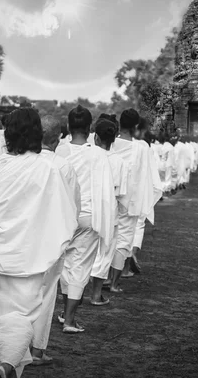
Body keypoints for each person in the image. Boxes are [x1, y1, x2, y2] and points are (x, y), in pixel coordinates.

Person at [0, 108, 78, 377]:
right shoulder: (48, 167)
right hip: (32, 255)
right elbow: (63, 215)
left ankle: (7, 363)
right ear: (37, 134)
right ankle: (8, 364)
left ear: (8, 134)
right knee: (23, 314)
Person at [55, 105, 117, 334]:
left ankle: (64, 313)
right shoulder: (99, 154)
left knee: (64, 265)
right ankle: (70, 319)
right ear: (90, 128)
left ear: (69, 126)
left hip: (64, 215)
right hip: (89, 216)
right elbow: (107, 192)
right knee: (80, 268)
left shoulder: (59, 151)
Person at [29, 115, 80, 365]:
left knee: (17, 294)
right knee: (46, 294)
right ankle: (36, 350)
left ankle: (10, 349)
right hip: (51, 240)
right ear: (58, 139)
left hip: (21, 239)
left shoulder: (18, 162)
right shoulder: (62, 165)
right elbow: (73, 207)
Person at [109, 109, 163, 288]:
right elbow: (149, 178)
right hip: (129, 200)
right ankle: (115, 282)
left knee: (106, 238)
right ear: (135, 127)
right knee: (124, 240)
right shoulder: (141, 147)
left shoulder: (108, 142)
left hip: (108, 198)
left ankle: (101, 277)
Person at [89, 118, 128, 304]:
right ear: (114, 139)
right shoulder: (119, 161)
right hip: (108, 210)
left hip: (87, 208)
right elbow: (121, 193)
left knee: (82, 253)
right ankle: (96, 295)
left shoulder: (87, 155)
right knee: (104, 252)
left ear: (95, 136)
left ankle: (75, 294)